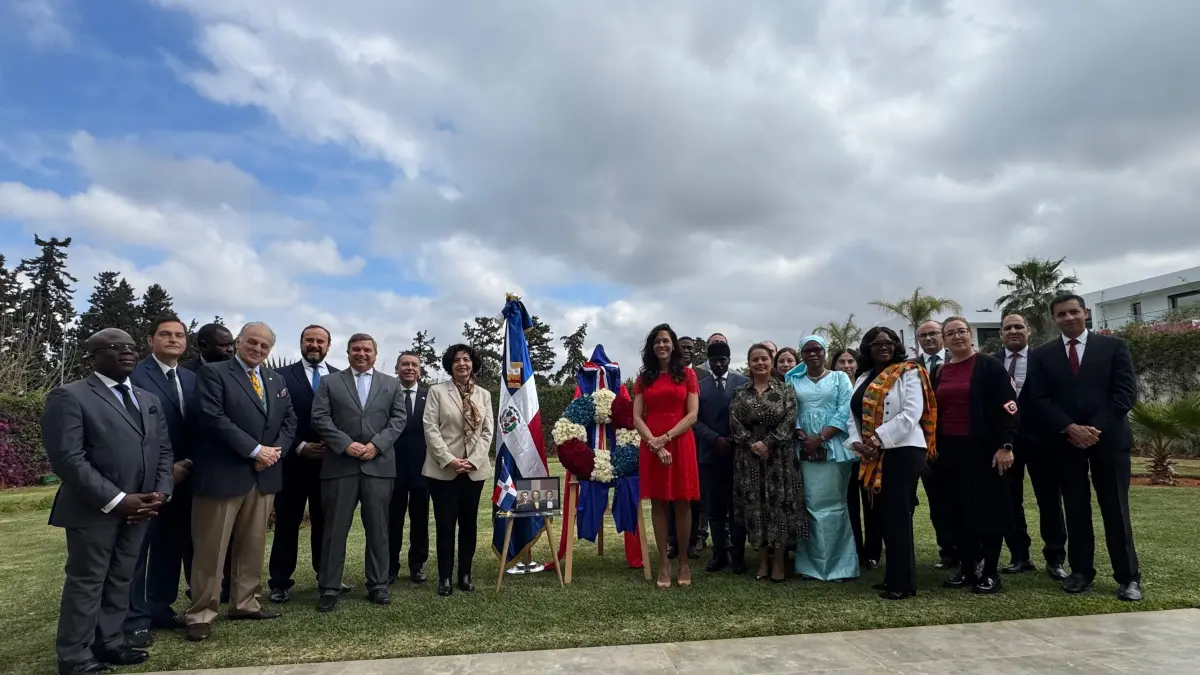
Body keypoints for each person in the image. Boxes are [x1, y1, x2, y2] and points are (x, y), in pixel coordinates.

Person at [43, 328, 173, 675]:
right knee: (88, 581)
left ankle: (111, 641)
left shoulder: (147, 400)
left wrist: (160, 492)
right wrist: (117, 500)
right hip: (94, 509)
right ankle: (75, 656)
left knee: (122, 576)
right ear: (94, 356)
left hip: (142, 507)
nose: (127, 353)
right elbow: (68, 459)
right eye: (115, 348)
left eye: (130, 348)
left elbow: (162, 450)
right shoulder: (69, 396)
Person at [186, 322, 296, 641]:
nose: (258, 349)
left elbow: (289, 420)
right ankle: (201, 613)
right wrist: (255, 450)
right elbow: (212, 417)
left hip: (264, 475)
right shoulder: (215, 374)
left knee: (252, 544)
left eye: (264, 346)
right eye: (252, 343)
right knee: (211, 547)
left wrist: (275, 452)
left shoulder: (276, 380)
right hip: (224, 473)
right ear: (239, 342)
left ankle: (245, 602)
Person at [1028, 294, 1141, 601]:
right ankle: (1081, 572)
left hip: (1109, 440)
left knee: (1116, 509)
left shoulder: (1114, 347)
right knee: (1076, 509)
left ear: (1085, 313)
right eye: (1061, 314)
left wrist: (1094, 429)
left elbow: (1125, 393)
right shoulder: (1042, 354)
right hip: (1065, 443)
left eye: (1073, 311)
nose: (1068, 318)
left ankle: (1128, 577)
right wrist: (1070, 427)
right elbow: (1038, 397)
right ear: (1054, 319)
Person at [310, 333, 407, 611]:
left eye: (367, 349)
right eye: (356, 349)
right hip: (340, 466)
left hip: (379, 466)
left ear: (375, 354)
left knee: (378, 529)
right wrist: (345, 444)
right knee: (334, 530)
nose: (361, 354)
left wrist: (376, 445)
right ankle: (329, 587)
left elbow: (398, 419)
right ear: (348, 353)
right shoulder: (330, 382)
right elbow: (319, 417)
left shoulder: (391, 383)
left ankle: (378, 584)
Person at [845, 327, 936, 600]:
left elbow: (911, 414)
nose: (883, 347)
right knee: (883, 516)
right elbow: (853, 416)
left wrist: (876, 440)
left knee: (898, 515)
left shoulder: (908, 371)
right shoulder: (863, 376)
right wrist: (856, 441)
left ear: (896, 345)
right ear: (867, 348)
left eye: (888, 342)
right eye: (876, 343)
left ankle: (903, 583)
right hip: (873, 451)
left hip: (903, 449)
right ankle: (892, 577)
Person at [124, 316, 196, 648]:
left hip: (186, 477)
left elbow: (200, 427)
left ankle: (159, 608)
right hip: (144, 479)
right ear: (150, 339)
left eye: (179, 335)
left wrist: (187, 464)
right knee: (137, 549)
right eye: (165, 334)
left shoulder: (192, 378)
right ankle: (134, 618)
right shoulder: (134, 376)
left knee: (171, 546)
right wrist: (167, 470)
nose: (173, 339)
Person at [936, 317, 1018, 594]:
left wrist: (1006, 446)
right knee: (957, 512)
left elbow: (1009, 407)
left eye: (962, 331)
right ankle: (968, 567)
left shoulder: (989, 365)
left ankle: (991, 572)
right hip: (949, 450)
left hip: (984, 450)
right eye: (951, 333)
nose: (957, 337)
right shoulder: (940, 371)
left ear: (970, 335)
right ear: (944, 340)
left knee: (988, 511)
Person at [269, 325, 341, 604]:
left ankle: (326, 577)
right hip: (292, 462)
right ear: (300, 343)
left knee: (326, 525)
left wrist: (333, 445)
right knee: (287, 524)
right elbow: (277, 417)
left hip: (329, 463)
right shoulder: (280, 377)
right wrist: (299, 445)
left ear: (328, 345)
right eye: (309, 340)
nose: (314, 345)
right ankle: (279, 582)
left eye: (319, 341)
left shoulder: (338, 377)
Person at [993, 314, 1068, 580]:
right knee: (1010, 500)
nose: (1013, 331)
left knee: (1049, 499)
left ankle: (1056, 557)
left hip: (1043, 442)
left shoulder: (1045, 359)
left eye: (1018, 327)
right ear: (1001, 333)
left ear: (1028, 331)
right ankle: (1019, 555)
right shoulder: (991, 363)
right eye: (1007, 328)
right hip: (1004, 444)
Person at [730, 343, 806, 582]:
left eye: (764, 359)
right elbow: (734, 422)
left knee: (779, 508)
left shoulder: (786, 391)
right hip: (749, 461)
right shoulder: (741, 393)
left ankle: (780, 562)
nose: (760, 363)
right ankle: (762, 561)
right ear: (749, 363)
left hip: (780, 460)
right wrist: (753, 443)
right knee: (756, 509)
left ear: (771, 361)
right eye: (755, 360)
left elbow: (790, 420)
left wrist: (768, 443)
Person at [423, 344, 494, 597]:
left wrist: (473, 460)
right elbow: (430, 428)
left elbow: (487, 432)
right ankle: (444, 578)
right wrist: (449, 459)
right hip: (443, 471)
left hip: (474, 472)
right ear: (450, 365)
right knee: (445, 526)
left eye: (466, 359)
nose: (461, 364)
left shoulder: (484, 395)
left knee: (468, 525)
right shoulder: (437, 392)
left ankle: (465, 574)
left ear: (473, 363)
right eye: (456, 360)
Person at [633, 324, 701, 588]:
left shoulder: (687, 375)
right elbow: (637, 416)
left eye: (666, 341)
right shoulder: (643, 379)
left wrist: (666, 439)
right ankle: (663, 563)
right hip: (652, 445)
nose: (661, 345)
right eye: (656, 341)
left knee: (683, 502)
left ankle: (683, 562)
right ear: (651, 347)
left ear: (673, 345)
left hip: (680, 442)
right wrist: (654, 443)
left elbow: (692, 414)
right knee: (659, 503)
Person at [788, 336, 858, 582]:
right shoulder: (792, 379)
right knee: (809, 506)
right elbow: (789, 409)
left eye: (817, 349)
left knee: (835, 506)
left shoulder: (839, 378)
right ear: (802, 354)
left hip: (834, 446)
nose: (813, 354)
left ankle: (840, 567)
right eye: (807, 350)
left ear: (825, 352)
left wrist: (821, 438)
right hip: (803, 447)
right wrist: (803, 436)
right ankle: (810, 566)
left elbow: (845, 408)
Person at [692, 341, 749, 574]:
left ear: (729, 360)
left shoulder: (742, 383)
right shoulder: (699, 387)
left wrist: (732, 439)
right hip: (710, 454)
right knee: (714, 510)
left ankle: (738, 556)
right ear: (708, 361)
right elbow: (694, 419)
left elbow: (749, 417)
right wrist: (714, 439)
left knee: (736, 509)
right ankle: (719, 554)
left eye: (722, 360)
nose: (717, 364)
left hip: (737, 455)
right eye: (713, 360)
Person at [832, 348, 881, 570]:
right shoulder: (832, 388)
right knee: (849, 503)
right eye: (841, 361)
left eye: (850, 361)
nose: (846, 365)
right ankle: (855, 550)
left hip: (870, 452)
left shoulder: (866, 384)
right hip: (843, 454)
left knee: (871, 504)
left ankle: (873, 552)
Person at [914, 319, 956, 571]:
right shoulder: (910, 367)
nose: (928, 339)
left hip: (956, 440)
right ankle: (947, 551)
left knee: (962, 499)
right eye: (923, 336)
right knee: (937, 502)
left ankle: (971, 550)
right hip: (925, 445)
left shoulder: (958, 359)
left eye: (933, 334)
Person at [389, 351, 431, 585]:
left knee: (420, 519)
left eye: (414, 364)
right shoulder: (386, 395)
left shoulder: (429, 396)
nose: (409, 368)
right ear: (397, 368)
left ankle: (417, 565)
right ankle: (390, 566)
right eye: (404, 364)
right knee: (392, 519)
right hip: (392, 469)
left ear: (420, 370)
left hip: (422, 469)